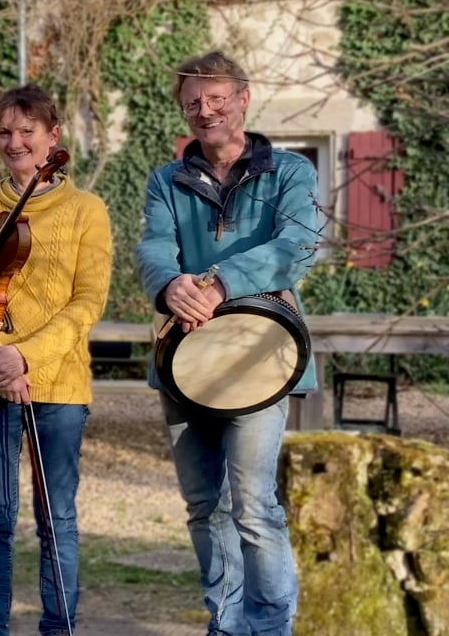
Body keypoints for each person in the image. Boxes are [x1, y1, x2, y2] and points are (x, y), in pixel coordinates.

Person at [135, 51, 320, 636]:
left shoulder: (290, 171)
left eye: (216, 98)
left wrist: (219, 283)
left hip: (262, 358)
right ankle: (227, 620)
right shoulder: (167, 180)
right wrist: (169, 285)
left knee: (256, 509)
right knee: (203, 506)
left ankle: (271, 627)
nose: (204, 110)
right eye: (193, 102)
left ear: (243, 97)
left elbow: (299, 245)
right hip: (182, 359)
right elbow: (154, 247)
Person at [0, 84, 112, 636]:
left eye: (27, 131)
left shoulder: (87, 210)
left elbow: (89, 301)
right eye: (5, 132)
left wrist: (25, 358)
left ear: (52, 136)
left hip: (58, 384)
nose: (14, 142)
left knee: (55, 519)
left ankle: (57, 627)